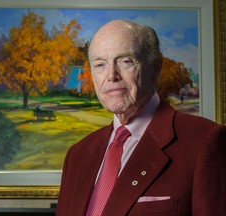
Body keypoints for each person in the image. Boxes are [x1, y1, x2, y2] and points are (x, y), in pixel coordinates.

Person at [56, 20, 226, 215]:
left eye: (126, 61)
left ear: (155, 67)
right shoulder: (77, 155)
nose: (111, 75)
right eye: (100, 64)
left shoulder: (204, 141)